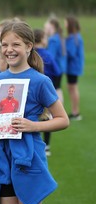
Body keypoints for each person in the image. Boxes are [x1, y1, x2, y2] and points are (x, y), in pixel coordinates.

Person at [0, 21, 69, 204]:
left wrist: (33, 125)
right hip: (2, 158)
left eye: (16, 45)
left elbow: (63, 119)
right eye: (5, 45)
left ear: (29, 46)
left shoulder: (40, 81)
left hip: (29, 159)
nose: (9, 50)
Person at [34, 28, 61, 156]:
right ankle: (47, 146)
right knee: (47, 117)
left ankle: (33, 143)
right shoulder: (48, 55)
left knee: (32, 116)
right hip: (46, 91)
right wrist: (55, 89)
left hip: (32, 90)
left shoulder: (30, 55)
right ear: (42, 39)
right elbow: (57, 72)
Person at [65, 16, 84, 121]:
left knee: (73, 88)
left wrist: (62, 49)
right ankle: (74, 111)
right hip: (73, 66)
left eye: (66, 23)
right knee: (71, 88)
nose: (65, 25)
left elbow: (71, 53)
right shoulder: (75, 36)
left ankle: (76, 112)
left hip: (73, 67)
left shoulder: (74, 37)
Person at [44, 17, 65, 101]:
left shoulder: (53, 39)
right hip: (60, 67)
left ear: (52, 26)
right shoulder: (58, 37)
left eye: (46, 27)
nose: (44, 29)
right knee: (58, 88)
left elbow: (50, 55)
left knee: (55, 90)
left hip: (55, 68)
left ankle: (59, 111)